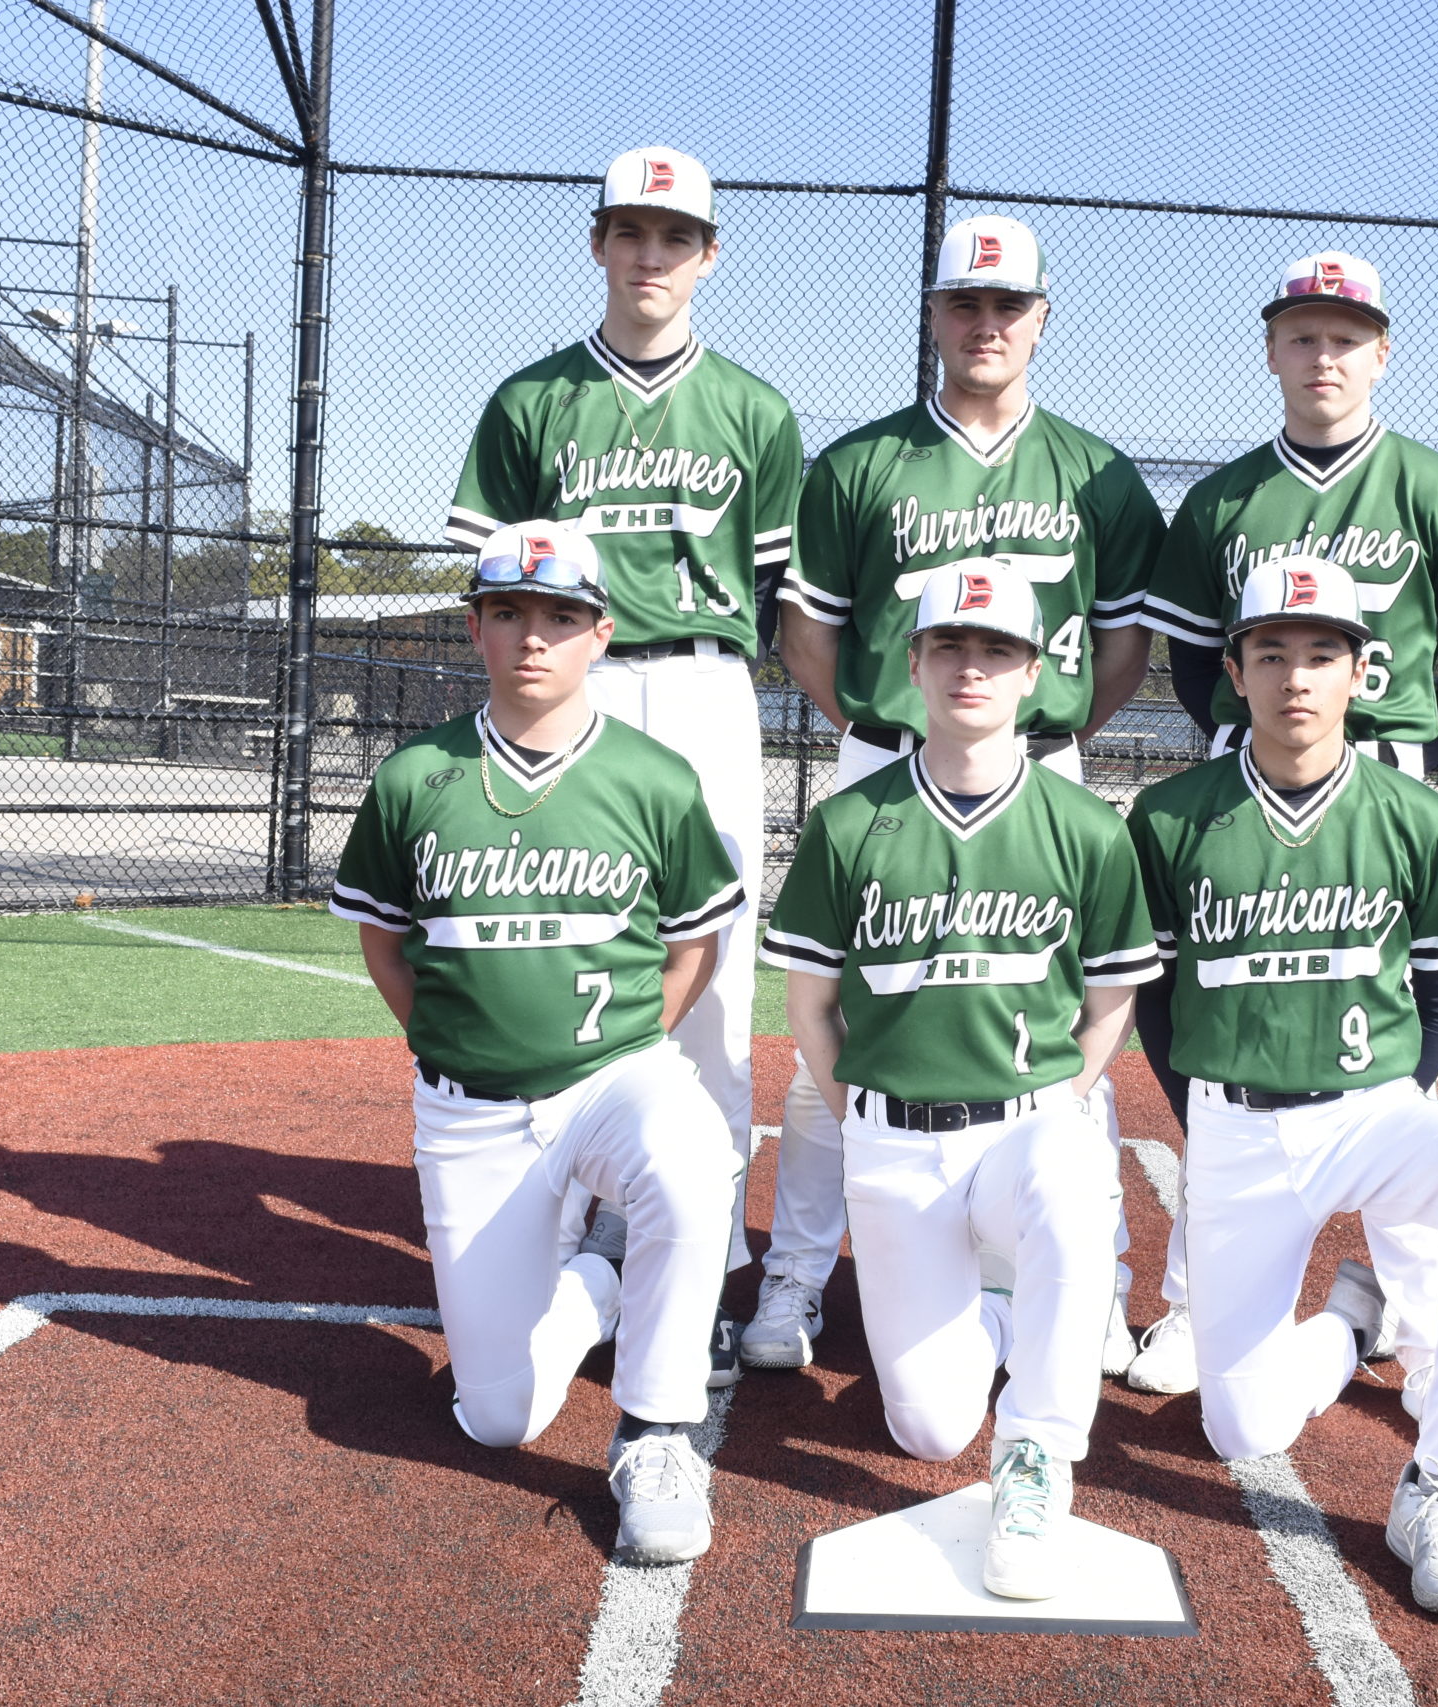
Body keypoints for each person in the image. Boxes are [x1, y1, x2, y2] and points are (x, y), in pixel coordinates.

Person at [1125, 251, 1438, 1395]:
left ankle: (1408, 1313)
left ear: (1380, 353)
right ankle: (1194, 1313)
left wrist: (1405, 766)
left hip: (1382, 766)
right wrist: (1241, 738)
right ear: (1271, 349)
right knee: (1231, 1029)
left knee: (1390, 1048)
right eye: (1302, 335)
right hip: (1245, 774)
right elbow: (1188, 654)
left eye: (1344, 337)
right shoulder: (1223, 500)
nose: (1323, 356)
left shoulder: (1436, 489)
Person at [762, 214, 1167, 1375]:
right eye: (964, 304)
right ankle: (793, 1277)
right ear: (934, 314)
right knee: (832, 1030)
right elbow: (805, 634)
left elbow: (1127, 640)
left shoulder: (1093, 470)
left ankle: (1087, 1286)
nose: (985, 325)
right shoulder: (861, 465)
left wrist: (1046, 739)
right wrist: (899, 737)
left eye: (1009, 306)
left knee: (1053, 1027)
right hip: (890, 753)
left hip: (1039, 761)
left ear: (1043, 319)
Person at [1126, 557, 1438, 1619]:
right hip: (1233, 1126)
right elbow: (1157, 1003)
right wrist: (1202, 1120)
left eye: (1323, 653)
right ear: (1232, 670)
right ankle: (1355, 1320)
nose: (1296, 676)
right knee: (1240, 1431)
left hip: (1373, 1111)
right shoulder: (1171, 817)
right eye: (1271, 653)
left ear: (1364, 672)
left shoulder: (1417, 818)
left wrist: (1393, 1106)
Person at [444, 146, 804, 1373]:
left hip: (706, 681)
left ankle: (705, 1251)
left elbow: (779, 589)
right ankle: (550, 1215)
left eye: (676, 237)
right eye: (631, 232)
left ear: (710, 254)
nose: (651, 256)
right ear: (596, 241)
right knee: (559, 940)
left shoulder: (753, 409)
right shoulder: (533, 399)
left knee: (716, 968)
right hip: (576, 683)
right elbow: (495, 586)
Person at [330, 520, 746, 1566]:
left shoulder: (651, 775)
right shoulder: (415, 774)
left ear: (600, 634)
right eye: (507, 613)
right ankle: (599, 1282)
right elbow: (385, 940)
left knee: (693, 1156)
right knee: (497, 1419)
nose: (532, 638)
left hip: (610, 1079)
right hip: (468, 1108)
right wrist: (440, 1032)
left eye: (559, 616)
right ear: (474, 626)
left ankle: (656, 1431)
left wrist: (635, 1046)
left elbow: (697, 938)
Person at [760, 568, 1161, 1600]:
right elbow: (810, 1006)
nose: (969, 667)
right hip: (894, 1140)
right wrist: (856, 1108)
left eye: (995, 651)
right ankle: (993, 1306)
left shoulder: (1083, 826)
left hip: (1027, 1124)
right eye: (948, 647)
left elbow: (1110, 999)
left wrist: (1065, 1098)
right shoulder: (851, 822)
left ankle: (1037, 1454)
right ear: (913, 665)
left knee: (1073, 1184)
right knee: (927, 1430)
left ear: (1033, 671)